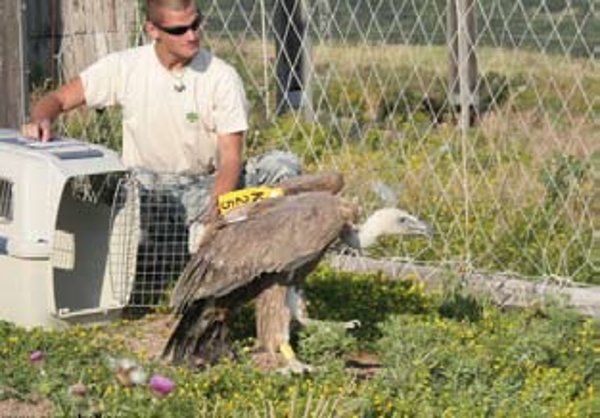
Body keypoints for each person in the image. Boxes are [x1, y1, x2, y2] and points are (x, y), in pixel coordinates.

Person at [21, 0, 300, 229]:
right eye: (179, 30)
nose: (192, 36)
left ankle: (257, 247)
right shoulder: (126, 66)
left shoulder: (221, 76)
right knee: (111, 190)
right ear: (153, 30)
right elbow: (57, 98)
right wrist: (41, 119)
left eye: (195, 24)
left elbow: (230, 158)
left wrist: (217, 209)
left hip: (205, 187)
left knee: (283, 165)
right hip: (145, 190)